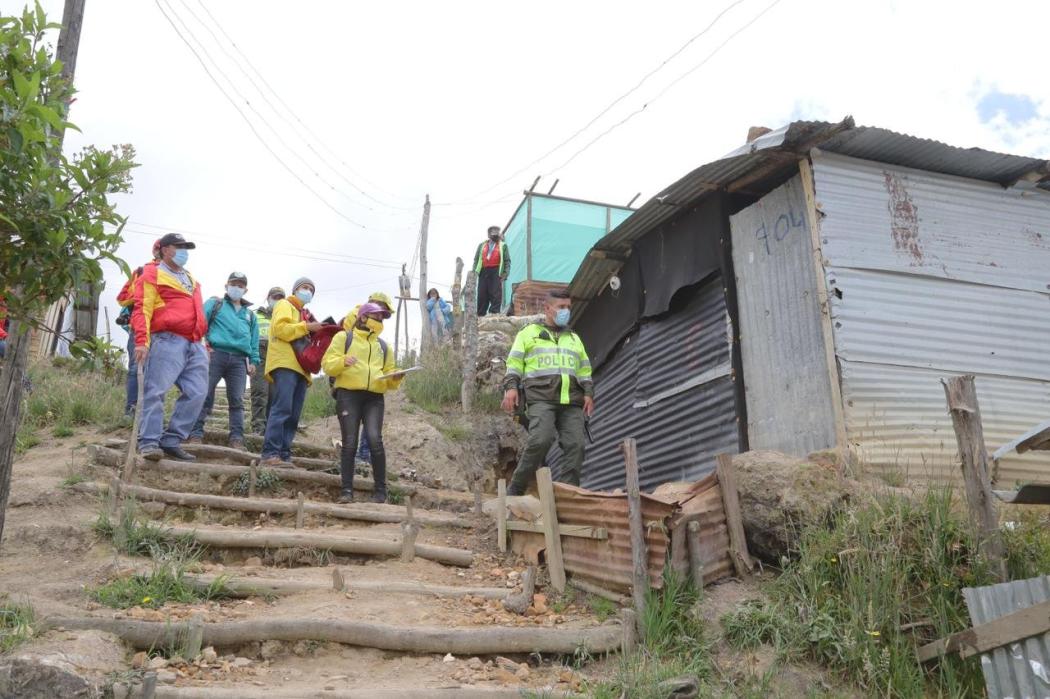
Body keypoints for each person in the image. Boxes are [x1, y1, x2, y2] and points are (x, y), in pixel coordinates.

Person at [501, 289, 594, 495]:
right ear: (547, 308)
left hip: (572, 401)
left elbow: (584, 369)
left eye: (568, 307)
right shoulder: (528, 333)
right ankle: (516, 488)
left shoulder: (574, 338)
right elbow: (514, 364)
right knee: (540, 440)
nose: (566, 311)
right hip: (541, 398)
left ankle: (567, 495)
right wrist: (511, 388)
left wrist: (588, 392)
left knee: (576, 447)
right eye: (561, 307)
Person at [132, 233, 208, 462]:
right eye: (179, 246)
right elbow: (142, 308)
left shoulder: (191, 279)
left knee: (198, 391)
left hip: (195, 342)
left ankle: (172, 439)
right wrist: (142, 341)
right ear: (165, 249)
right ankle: (148, 442)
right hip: (166, 339)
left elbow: (197, 311)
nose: (184, 251)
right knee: (156, 391)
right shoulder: (152, 273)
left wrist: (204, 342)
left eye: (186, 247)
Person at [322, 302, 403, 503]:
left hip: (375, 398)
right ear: (364, 317)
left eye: (382, 319)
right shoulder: (344, 337)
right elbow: (327, 365)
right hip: (348, 395)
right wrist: (342, 361)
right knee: (350, 443)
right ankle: (346, 492)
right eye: (377, 317)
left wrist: (396, 377)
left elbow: (389, 380)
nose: (380, 322)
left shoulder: (383, 346)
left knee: (375, 440)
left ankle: (380, 492)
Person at [187, 272, 261, 450]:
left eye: (241, 285)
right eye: (234, 284)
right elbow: (199, 323)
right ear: (226, 286)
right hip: (215, 354)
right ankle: (195, 433)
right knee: (203, 393)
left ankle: (237, 438)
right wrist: (201, 347)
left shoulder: (250, 315)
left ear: (245, 289)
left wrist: (254, 361)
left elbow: (254, 340)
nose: (237, 287)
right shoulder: (215, 304)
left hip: (239, 360)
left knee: (237, 399)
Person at [260, 277, 321, 466]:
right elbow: (279, 329)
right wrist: (306, 327)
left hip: (302, 368)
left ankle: (284, 453)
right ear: (295, 290)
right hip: (285, 363)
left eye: (311, 289)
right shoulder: (285, 305)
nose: (308, 291)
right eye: (305, 287)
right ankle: (270, 453)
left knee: (294, 414)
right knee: (282, 408)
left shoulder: (305, 314)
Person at [116, 239, 162, 416]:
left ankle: (150, 412)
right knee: (136, 367)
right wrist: (143, 291)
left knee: (158, 370)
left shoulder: (178, 275)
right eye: (160, 249)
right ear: (156, 251)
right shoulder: (140, 271)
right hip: (140, 325)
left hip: (164, 329)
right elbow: (122, 297)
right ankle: (132, 410)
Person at [349, 291, 394, 467]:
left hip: (371, 384)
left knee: (370, 424)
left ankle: (363, 456)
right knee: (352, 424)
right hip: (352, 380)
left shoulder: (380, 340)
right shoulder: (355, 315)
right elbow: (345, 343)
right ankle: (354, 458)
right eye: (381, 311)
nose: (381, 316)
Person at [250, 286, 285, 435]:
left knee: (275, 395)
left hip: (278, 357)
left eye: (280, 298)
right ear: (268, 298)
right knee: (260, 392)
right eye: (275, 297)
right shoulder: (255, 314)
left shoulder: (286, 318)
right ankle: (258, 429)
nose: (277, 301)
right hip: (259, 354)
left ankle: (270, 431)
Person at [473, 225, 510, 316]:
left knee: (495, 294)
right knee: (482, 294)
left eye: (496, 232)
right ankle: (480, 315)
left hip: (496, 271)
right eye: (492, 232)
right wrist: (474, 271)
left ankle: (494, 314)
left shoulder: (503, 245)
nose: (495, 234)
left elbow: (507, 261)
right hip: (483, 271)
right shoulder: (482, 245)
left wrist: (505, 273)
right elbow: (476, 259)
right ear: (489, 234)